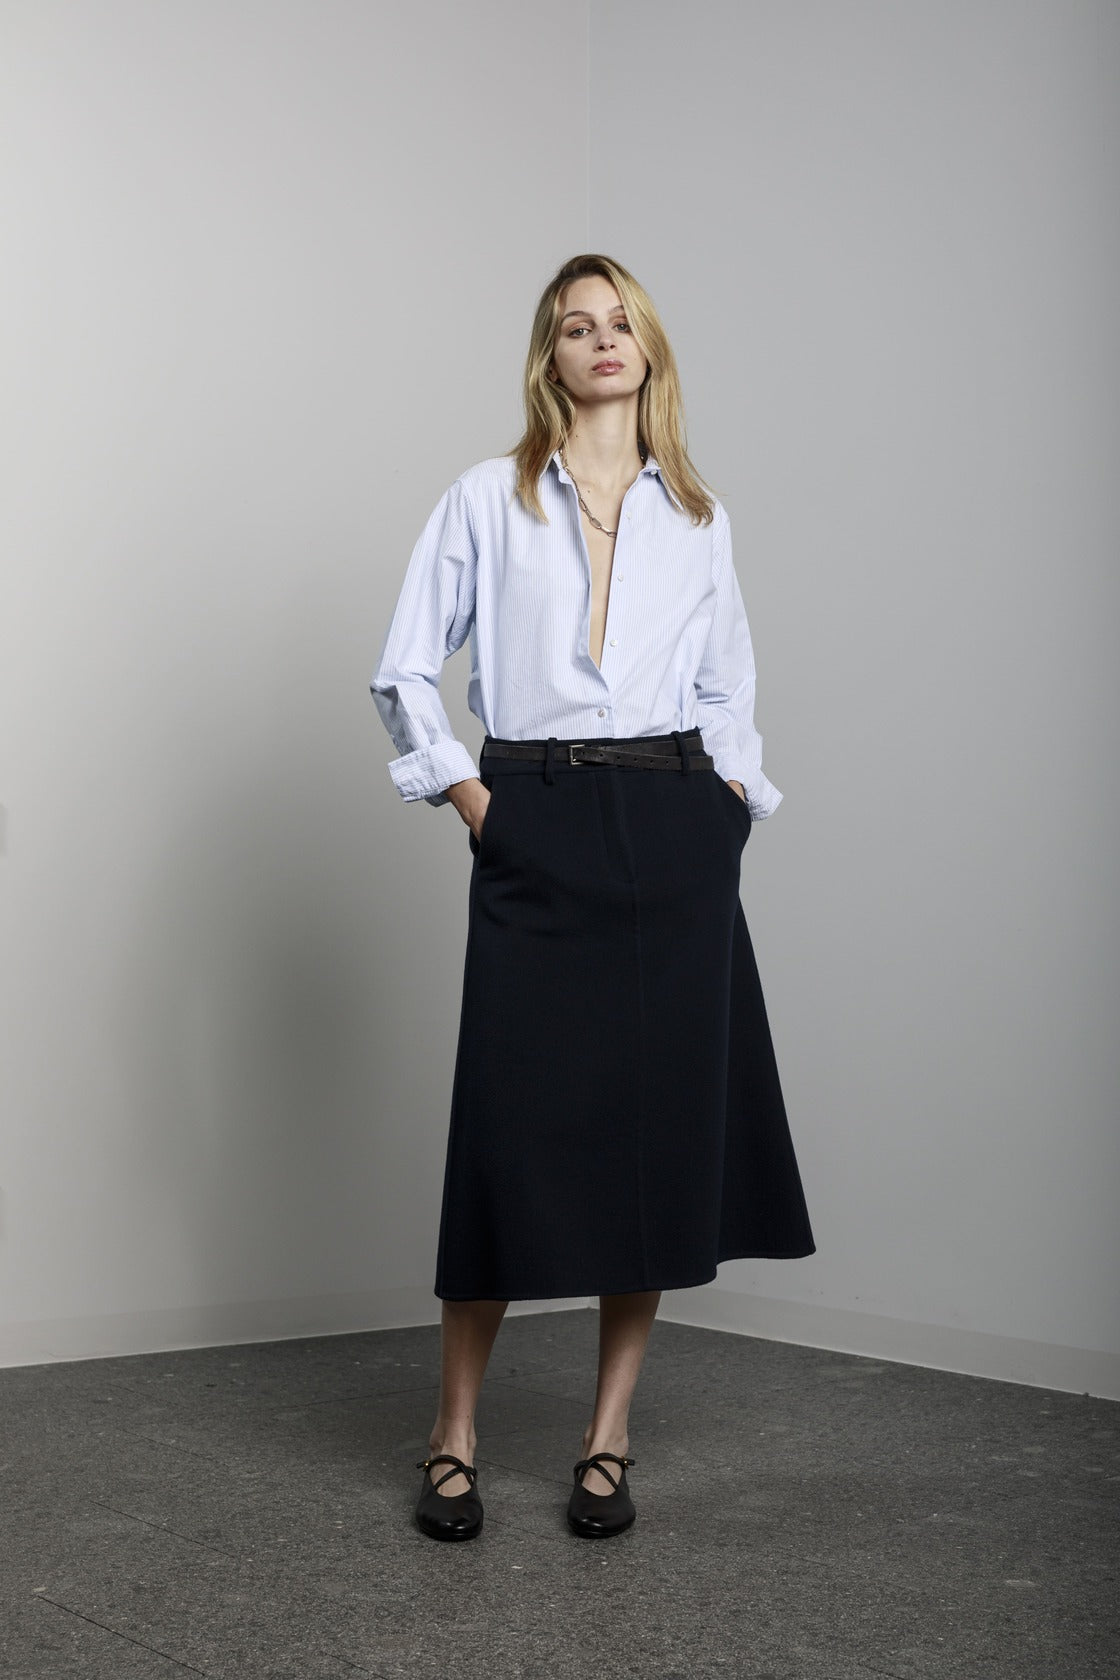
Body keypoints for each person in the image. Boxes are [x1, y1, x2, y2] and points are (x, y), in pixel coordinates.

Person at [370, 254, 814, 1543]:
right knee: (506, 1133)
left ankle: (607, 1439)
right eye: (578, 325)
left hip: (676, 826)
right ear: (549, 357)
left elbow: (728, 688)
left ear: (649, 348)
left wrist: (727, 809)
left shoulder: (700, 517)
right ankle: (453, 1436)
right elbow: (404, 671)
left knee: (653, 1140)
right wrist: (479, 805)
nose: (604, 340)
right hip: (538, 812)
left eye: (623, 322)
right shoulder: (485, 497)